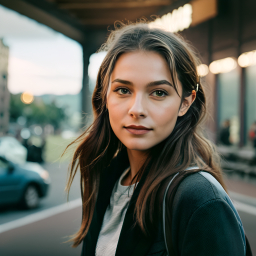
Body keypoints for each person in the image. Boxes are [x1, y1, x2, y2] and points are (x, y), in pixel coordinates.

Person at [65, 22, 248, 255]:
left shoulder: (201, 201)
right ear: (104, 95)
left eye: (159, 92)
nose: (137, 109)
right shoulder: (106, 176)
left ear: (185, 102)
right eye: (123, 90)